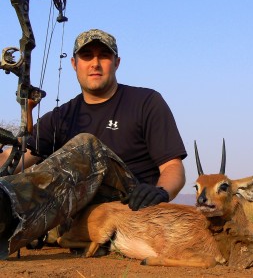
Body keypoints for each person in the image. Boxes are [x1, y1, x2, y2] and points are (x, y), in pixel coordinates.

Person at [0, 29, 187, 259]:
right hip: (78, 220)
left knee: (88, 146)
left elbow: (173, 168)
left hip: (131, 209)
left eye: (104, 56)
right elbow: (13, 160)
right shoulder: (61, 116)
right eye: (87, 56)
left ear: (116, 63)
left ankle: (5, 209)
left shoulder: (147, 102)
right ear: (74, 64)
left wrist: (160, 192)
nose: (95, 63)